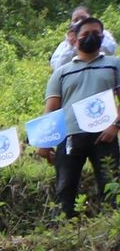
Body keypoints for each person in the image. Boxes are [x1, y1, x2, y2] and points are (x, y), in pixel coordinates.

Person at [41, 14, 120, 219]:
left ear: (103, 37)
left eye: (96, 33)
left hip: (105, 136)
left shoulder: (114, 64)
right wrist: (44, 143)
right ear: (74, 38)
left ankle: (112, 230)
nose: (91, 37)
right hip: (69, 137)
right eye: (85, 34)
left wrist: (115, 125)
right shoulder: (61, 72)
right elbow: (51, 109)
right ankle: (65, 234)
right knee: (65, 189)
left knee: (111, 185)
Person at [52, 6, 118, 71]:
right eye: (75, 20)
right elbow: (58, 67)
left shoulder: (103, 34)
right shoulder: (65, 44)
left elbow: (110, 50)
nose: (79, 22)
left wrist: (90, 41)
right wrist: (71, 46)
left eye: (83, 18)